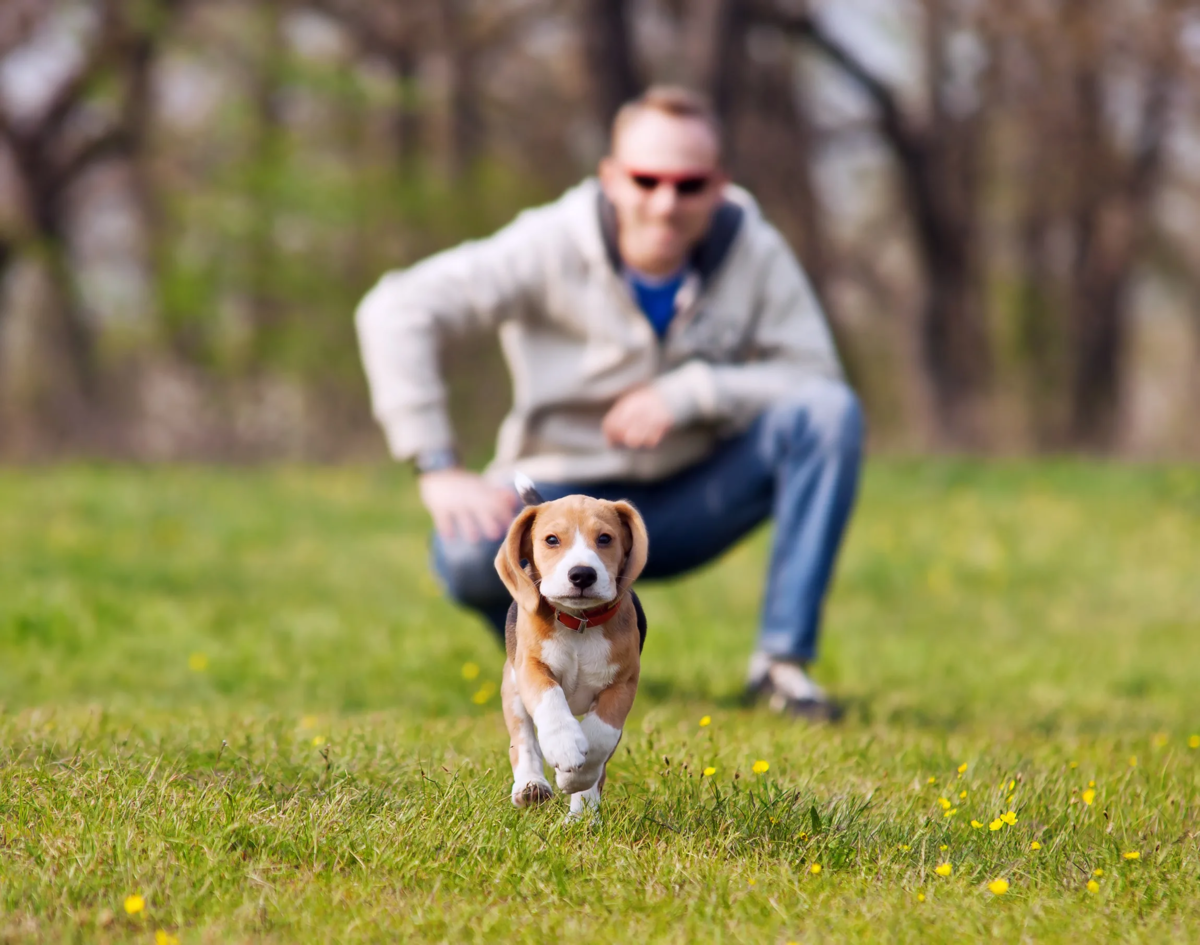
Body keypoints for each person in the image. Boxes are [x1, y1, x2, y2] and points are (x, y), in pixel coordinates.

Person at [356, 86, 863, 719]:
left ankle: (781, 668)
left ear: (719, 184)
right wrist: (435, 462)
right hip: (559, 490)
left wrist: (693, 393)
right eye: (646, 180)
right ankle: (543, 652)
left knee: (827, 416)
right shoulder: (549, 242)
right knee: (463, 554)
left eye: (689, 184)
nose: (665, 202)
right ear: (612, 179)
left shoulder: (754, 249)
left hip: (692, 498)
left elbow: (817, 378)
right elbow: (395, 308)